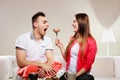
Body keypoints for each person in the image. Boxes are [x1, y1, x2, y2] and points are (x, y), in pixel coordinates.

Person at [15, 12, 62, 80]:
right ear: (35, 24)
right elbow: (20, 62)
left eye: (47, 22)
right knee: (29, 69)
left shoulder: (48, 39)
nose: (48, 24)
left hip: (43, 68)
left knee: (56, 65)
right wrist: (41, 65)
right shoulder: (22, 39)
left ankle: (46, 76)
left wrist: (45, 68)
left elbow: (50, 59)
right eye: (44, 22)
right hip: (29, 67)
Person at [55, 13, 97, 80]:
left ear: (81, 23)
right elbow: (67, 59)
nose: (72, 24)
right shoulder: (72, 39)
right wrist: (60, 46)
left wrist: (75, 76)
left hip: (82, 75)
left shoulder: (91, 42)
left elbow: (88, 65)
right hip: (69, 74)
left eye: (74, 21)